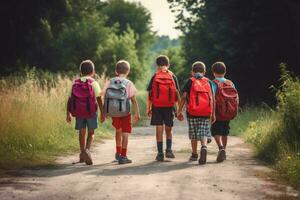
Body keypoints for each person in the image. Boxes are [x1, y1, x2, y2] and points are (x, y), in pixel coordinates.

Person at [102, 60, 140, 164]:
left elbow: (104, 96)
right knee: (125, 133)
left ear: (116, 71)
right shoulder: (128, 83)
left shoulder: (110, 81)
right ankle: (123, 156)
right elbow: (133, 100)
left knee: (118, 130)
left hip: (113, 111)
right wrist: (137, 113)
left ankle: (118, 154)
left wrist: (104, 112)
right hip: (125, 112)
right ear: (128, 72)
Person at [67, 60, 104, 165]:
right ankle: (87, 150)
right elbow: (99, 99)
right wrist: (103, 112)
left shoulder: (75, 82)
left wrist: (68, 113)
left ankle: (82, 155)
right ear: (93, 71)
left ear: (80, 72)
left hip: (78, 112)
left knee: (82, 133)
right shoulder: (93, 82)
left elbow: (70, 99)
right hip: (91, 112)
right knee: (91, 133)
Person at [177, 61, 215, 164]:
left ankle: (194, 154)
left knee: (193, 133)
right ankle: (204, 147)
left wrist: (179, 110)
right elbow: (212, 98)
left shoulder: (190, 81)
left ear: (192, 72)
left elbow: (184, 96)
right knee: (203, 131)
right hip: (206, 112)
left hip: (192, 112)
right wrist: (213, 113)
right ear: (205, 72)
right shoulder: (209, 82)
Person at [147, 55, 181, 162]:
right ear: (168, 65)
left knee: (159, 129)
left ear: (157, 65)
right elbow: (177, 94)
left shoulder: (155, 75)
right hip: (169, 106)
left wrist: (149, 108)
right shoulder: (172, 76)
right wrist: (179, 110)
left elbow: (150, 94)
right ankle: (169, 150)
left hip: (157, 106)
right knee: (169, 128)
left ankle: (160, 153)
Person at [210, 61, 239, 162]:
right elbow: (236, 97)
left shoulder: (213, 83)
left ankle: (220, 147)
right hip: (228, 112)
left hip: (218, 112)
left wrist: (212, 113)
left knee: (215, 131)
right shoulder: (230, 83)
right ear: (225, 71)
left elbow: (212, 98)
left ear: (213, 72)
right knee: (225, 132)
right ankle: (224, 151)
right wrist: (234, 110)